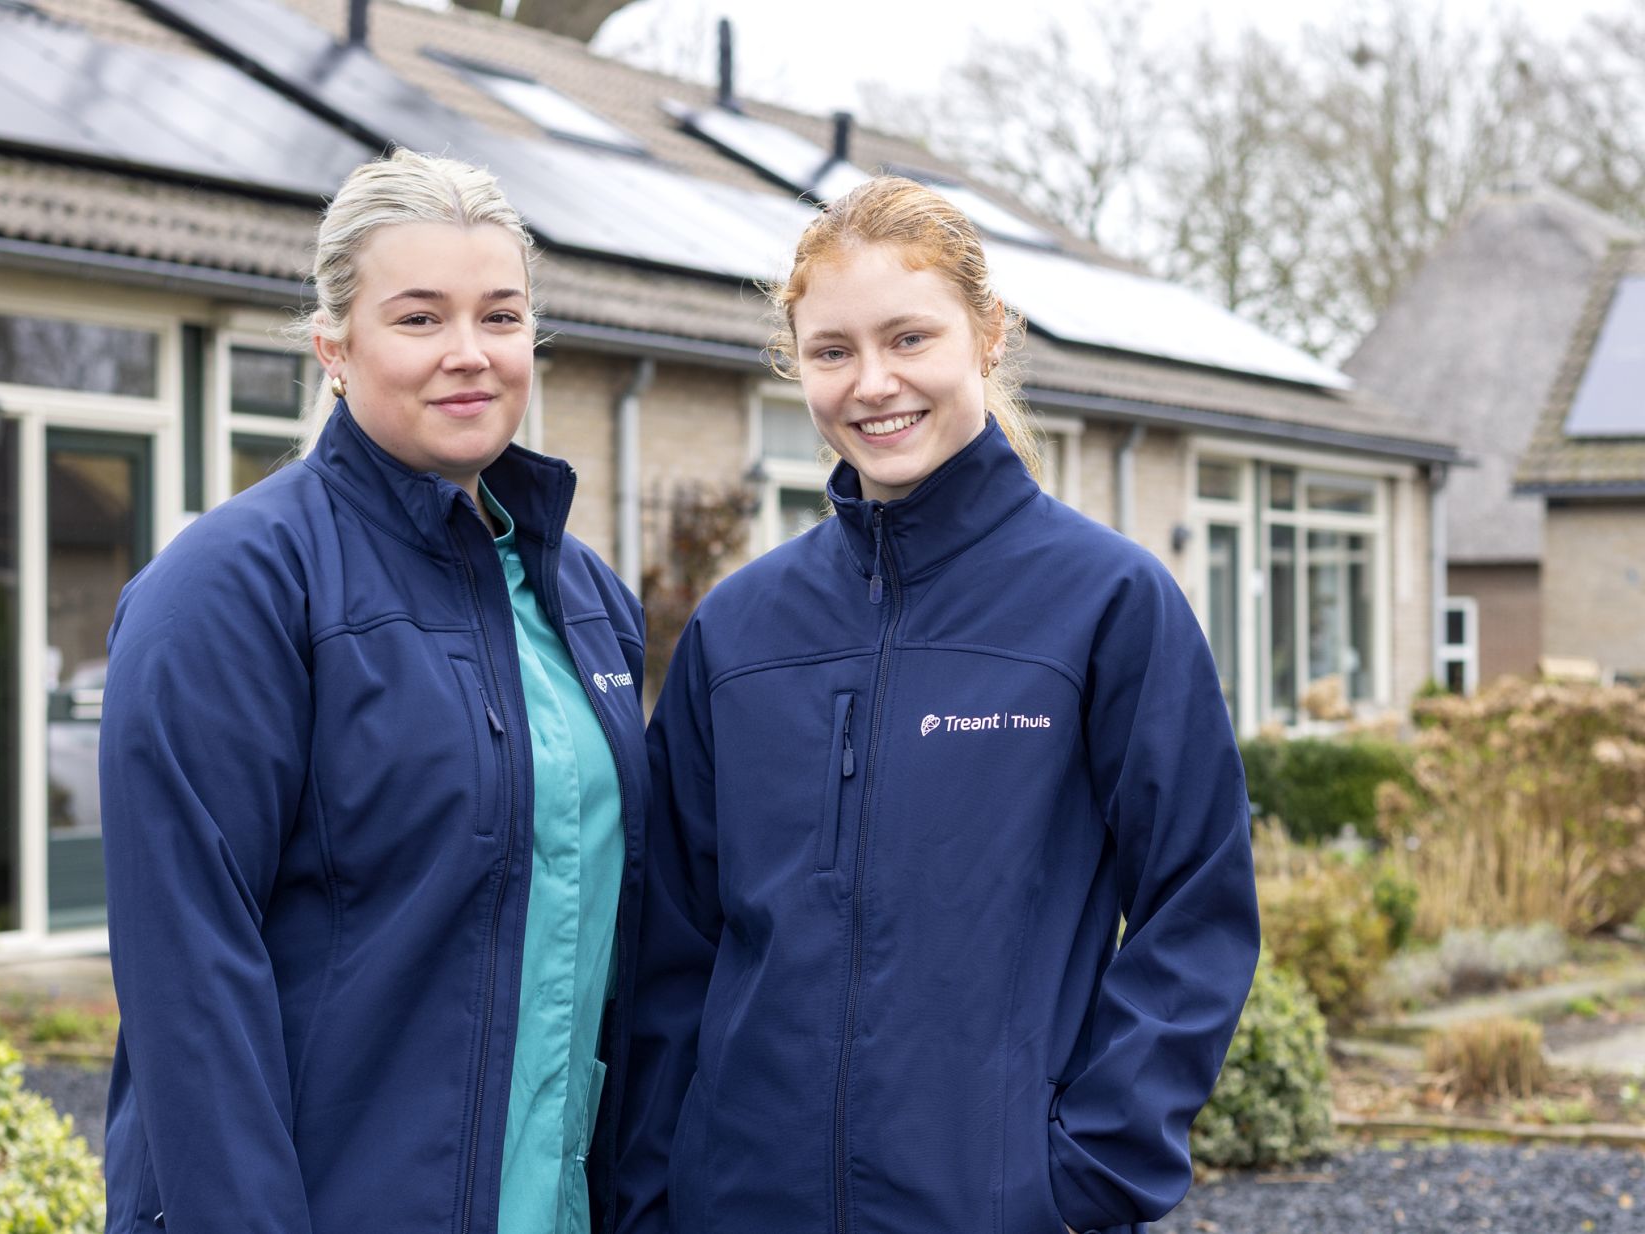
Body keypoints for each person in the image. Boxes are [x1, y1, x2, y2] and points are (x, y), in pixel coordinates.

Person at [614, 177, 1259, 1234]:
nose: (874, 384)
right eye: (833, 351)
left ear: (988, 334)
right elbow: (671, 950)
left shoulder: (1106, 605)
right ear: (798, 364)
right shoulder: (739, 631)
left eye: (908, 338)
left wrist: (1085, 1177)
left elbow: (1198, 908)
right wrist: (650, 1199)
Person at [99, 149, 648, 1234]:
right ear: (333, 348)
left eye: (501, 316)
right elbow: (192, 989)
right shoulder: (232, 588)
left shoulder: (586, 600)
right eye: (418, 319)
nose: (469, 355)